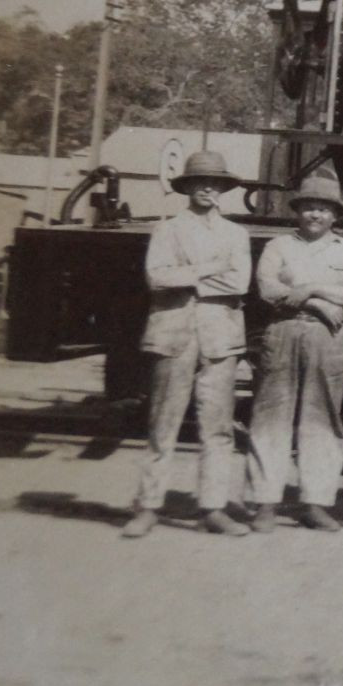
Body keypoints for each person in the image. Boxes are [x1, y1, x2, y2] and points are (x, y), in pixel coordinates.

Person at [123, 150, 252, 539]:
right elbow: (157, 279)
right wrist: (211, 270)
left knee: (218, 429)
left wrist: (187, 275)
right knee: (162, 426)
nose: (207, 188)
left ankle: (212, 508)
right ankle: (148, 507)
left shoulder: (237, 234)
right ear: (188, 187)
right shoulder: (167, 230)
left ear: (224, 189)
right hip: (172, 335)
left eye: (215, 182)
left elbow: (239, 283)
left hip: (220, 338)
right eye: (200, 181)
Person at [246, 176, 343, 533]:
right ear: (298, 211)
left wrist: (310, 287)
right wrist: (318, 301)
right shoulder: (278, 246)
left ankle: (315, 504)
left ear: (335, 215)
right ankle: (265, 503)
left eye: (324, 208)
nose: (315, 213)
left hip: (329, 338)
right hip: (283, 330)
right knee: (272, 417)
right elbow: (268, 289)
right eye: (309, 207)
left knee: (322, 418)